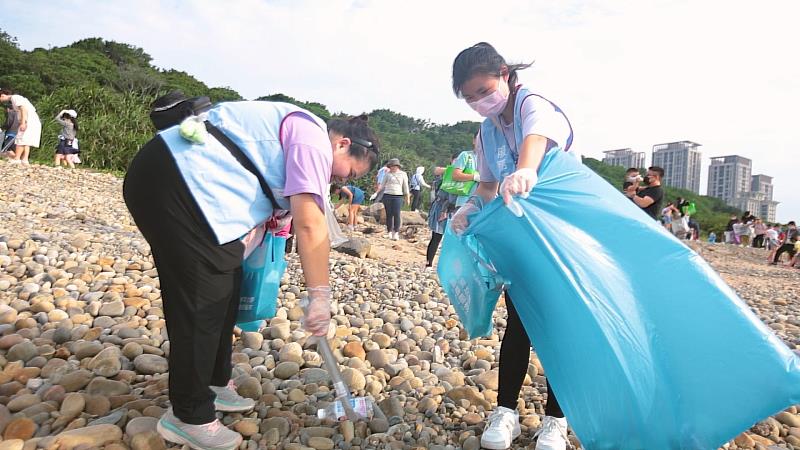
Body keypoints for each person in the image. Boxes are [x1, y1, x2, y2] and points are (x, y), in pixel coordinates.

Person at [123, 98, 380, 450]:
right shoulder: (311, 139)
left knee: (225, 283)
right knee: (203, 296)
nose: (341, 180)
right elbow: (310, 225)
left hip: (195, 193)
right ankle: (189, 415)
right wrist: (320, 296)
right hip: (174, 183)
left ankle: (213, 383)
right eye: (349, 172)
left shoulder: (307, 136)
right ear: (343, 144)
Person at [449, 42, 573, 450]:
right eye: (470, 99)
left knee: (557, 328)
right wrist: (469, 206)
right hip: (520, 240)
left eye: (483, 91)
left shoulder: (528, 105)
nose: (480, 103)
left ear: (504, 74)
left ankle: (556, 419)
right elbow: (486, 184)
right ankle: (506, 411)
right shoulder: (486, 130)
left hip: (557, 237)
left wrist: (525, 168)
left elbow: (537, 137)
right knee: (518, 324)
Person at [426, 145, 480, 270]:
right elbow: (436, 171)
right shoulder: (448, 173)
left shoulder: (469, 175)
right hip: (442, 208)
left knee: (454, 239)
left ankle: (449, 266)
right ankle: (429, 264)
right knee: (437, 236)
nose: (457, 163)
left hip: (456, 208)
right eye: (455, 160)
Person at [0, 89, 41, 164]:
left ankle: (17, 158)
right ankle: (25, 159)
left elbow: (23, 109)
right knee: (26, 140)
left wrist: (23, 123)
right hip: (33, 120)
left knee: (21, 138)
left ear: (2, 95)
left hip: (28, 120)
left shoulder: (15, 97)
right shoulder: (17, 98)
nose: (1, 101)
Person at [377, 158, 410, 240]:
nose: (392, 168)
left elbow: (405, 186)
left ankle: (396, 232)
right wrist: (376, 192)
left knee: (397, 214)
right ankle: (389, 232)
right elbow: (382, 185)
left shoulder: (403, 174)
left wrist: (407, 197)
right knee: (389, 214)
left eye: (394, 166)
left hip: (398, 195)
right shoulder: (387, 174)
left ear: (397, 166)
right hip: (387, 194)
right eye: (391, 166)